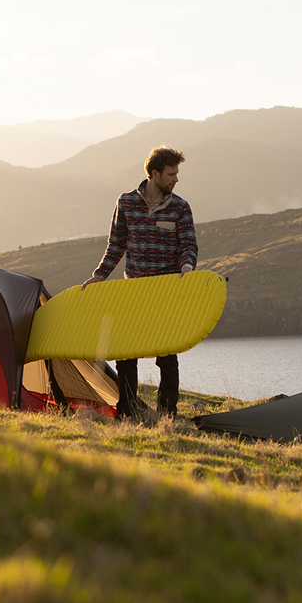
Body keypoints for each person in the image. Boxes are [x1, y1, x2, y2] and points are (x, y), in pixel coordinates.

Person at [81, 145, 198, 418]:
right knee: (126, 354)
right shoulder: (126, 203)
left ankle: (167, 414)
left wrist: (187, 264)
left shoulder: (180, 207)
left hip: (166, 292)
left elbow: (189, 244)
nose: (176, 179)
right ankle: (127, 412)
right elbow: (116, 246)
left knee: (167, 355)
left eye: (177, 173)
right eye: (171, 174)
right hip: (133, 291)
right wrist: (99, 275)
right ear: (155, 174)